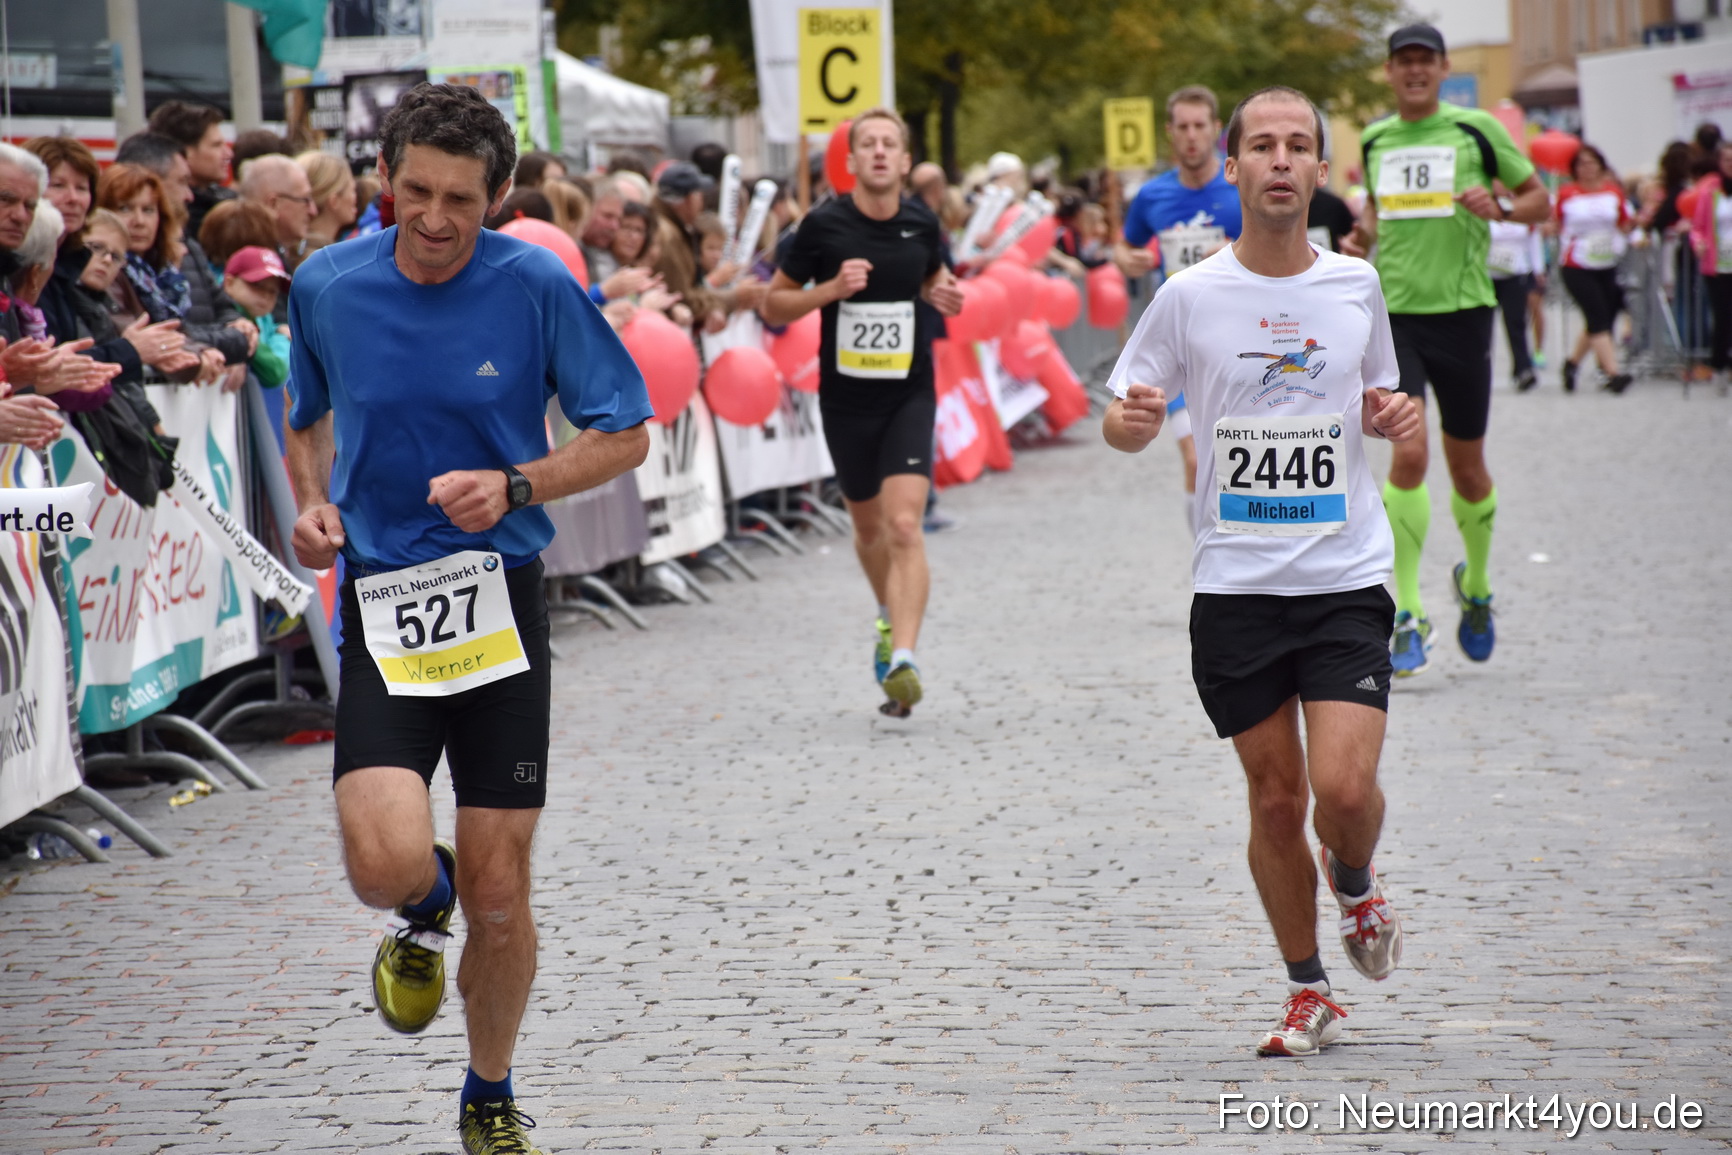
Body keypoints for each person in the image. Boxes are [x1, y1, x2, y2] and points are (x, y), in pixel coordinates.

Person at [284, 82, 651, 1155]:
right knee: (384, 864)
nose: (436, 221)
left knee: (503, 885)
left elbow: (623, 430)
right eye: (414, 194)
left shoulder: (535, 281)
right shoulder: (326, 284)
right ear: (383, 182)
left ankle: (487, 1092)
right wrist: (315, 504)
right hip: (387, 604)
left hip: (499, 604)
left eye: (461, 200)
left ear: (497, 197)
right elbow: (305, 419)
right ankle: (419, 905)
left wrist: (519, 484)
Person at [1102, 85, 1420, 1057]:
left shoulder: (1354, 285)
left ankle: (1355, 885)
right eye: (1262, 147)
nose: (1280, 161)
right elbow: (1120, 414)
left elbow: (1387, 411)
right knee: (1277, 801)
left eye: (1299, 147)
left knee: (1345, 789)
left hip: (1342, 577)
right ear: (1232, 168)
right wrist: (1135, 423)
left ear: (1321, 171)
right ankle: (1307, 987)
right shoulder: (1190, 293)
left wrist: (1398, 428)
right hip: (1236, 587)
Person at [1341, 23, 1549, 675]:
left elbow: (1539, 200)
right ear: (1389, 72)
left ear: (1442, 68)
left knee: (1466, 469)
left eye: (1424, 62)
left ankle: (1477, 587)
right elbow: (1376, 213)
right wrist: (1360, 240)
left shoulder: (1477, 130)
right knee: (1408, 451)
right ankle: (1407, 611)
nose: (1413, 72)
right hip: (1396, 315)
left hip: (1464, 313)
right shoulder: (1375, 138)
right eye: (1402, 63)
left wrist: (1502, 209)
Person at [763, 108, 963, 716]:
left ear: (904, 161)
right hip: (846, 398)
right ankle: (887, 615)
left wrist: (944, 292)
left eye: (889, 144)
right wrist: (829, 290)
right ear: (850, 162)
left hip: (909, 390)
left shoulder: (921, 222)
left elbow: (933, 277)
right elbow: (773, 305)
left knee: (905, 525)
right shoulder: (821, 226)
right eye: (866, 144)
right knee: (869, 529)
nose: (878, 152)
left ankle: (903, 656)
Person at [1114, 85, 1243, 522]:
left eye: (1199, 126)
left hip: (1237, 339)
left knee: (1235, 459)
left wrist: (1234, 250)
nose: (1191, 136)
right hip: (1179, 344)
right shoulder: (1151, 196)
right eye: (1183, 127)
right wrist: (1126, 258)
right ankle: (1206, 569)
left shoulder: (1238, 185)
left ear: (1216, 130)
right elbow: (1125, 247)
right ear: (1170, 132)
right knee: (1195, 460)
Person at [1555, 145, 1635, 394]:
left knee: (1601, 317)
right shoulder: (1567, 193)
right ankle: (1613, 373)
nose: (1587, 169)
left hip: (1606, 262)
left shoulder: (1613, 192)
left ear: (1601, 165)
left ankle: (1572, 364)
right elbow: (1556, 223)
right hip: (1576, 263)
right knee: (1597, 314)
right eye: (1581, 164)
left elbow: (1624, 223)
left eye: (1591, 163)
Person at [1487, 185, 1545, 392]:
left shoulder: (1523, 207)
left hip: (1515, 274)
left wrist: (1538, 270)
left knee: (1516, 323)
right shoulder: (1483, 204)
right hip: (1486, 276)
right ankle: (1479, 371)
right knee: (1483, 327)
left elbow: (1534, 239)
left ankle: (1523, 369)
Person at [147, 100, 234, 237]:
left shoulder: (229, 201)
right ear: (184, 153)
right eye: (216, 145)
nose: (229, 154)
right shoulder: (162, 216)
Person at [1689, 140, 1732, 390]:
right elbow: (1698, 227)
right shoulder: (1710, 191)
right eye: (1726, 160)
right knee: (1723, 316)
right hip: (1718, 264)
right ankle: (1718, 366)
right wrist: (1699, 243)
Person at [220, 246, 292, 388]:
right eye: (257, 285)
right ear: (229, 283)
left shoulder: (265, 318)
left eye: (273, 291)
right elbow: (274, 372)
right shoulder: (220, 314)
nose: (266, 295)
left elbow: (276, 372)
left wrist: (279, 333)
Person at [238, 154, 318, 271]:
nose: (313, 211)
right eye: (305, 200)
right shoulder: (255, 271)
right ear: (273, 204)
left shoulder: (285, 255)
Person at [297, 151, 360, 249]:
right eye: (352, 190)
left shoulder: (295, 251)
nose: (355, 198)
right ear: (334, 201)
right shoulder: (322, 256)